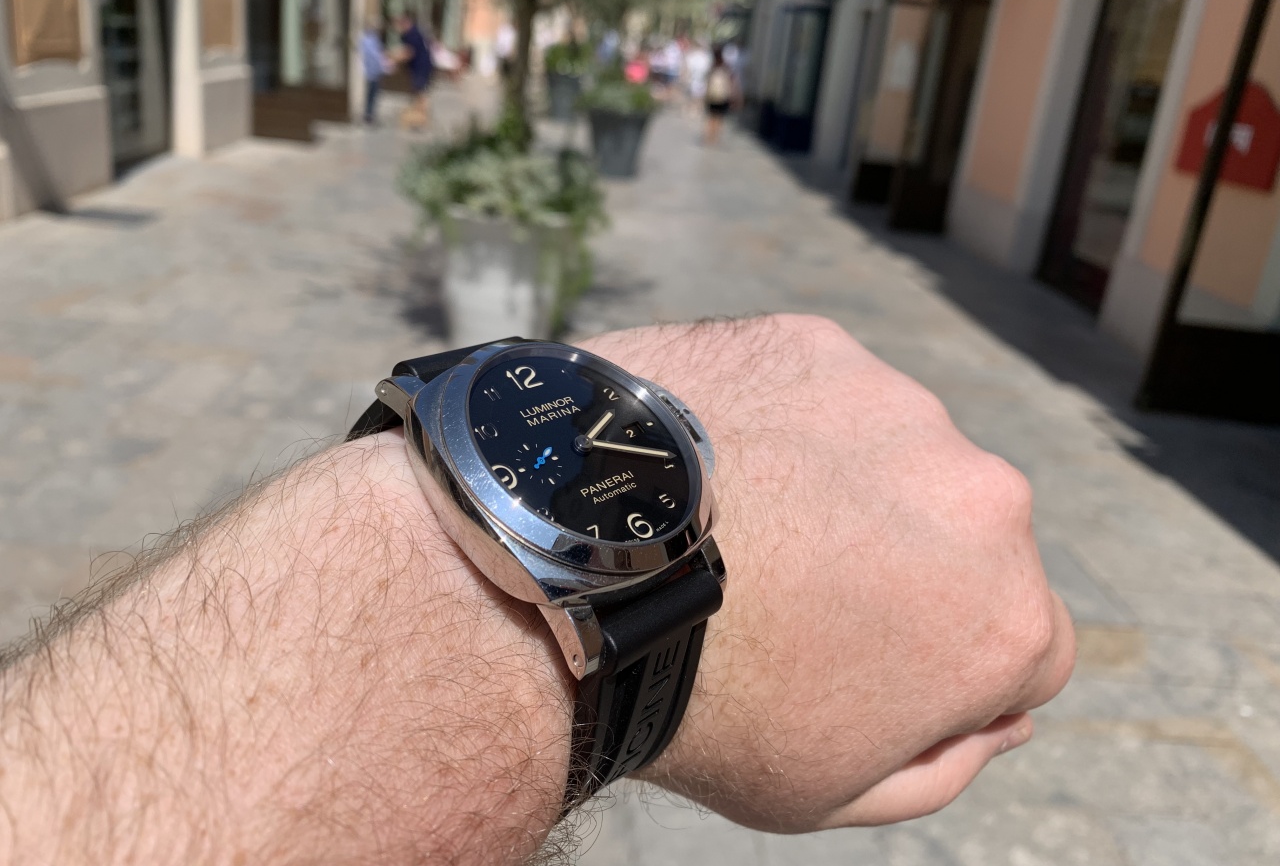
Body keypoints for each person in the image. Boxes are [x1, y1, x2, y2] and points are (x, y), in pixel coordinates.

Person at [0, 316, 1074, 864]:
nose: (620, 435)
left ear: (679, 430)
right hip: (593, 564)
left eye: (633, 427)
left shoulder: (665, 469)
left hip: (648, 547)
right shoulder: (465, 458)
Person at [395, 12, 434, 131]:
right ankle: (419, 119)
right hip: (423, 67)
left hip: (419, 68)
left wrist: (393, 58)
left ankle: (421, 119)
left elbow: (409, 53)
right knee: (419, 93)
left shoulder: (411, 35)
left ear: (405, 24)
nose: (399, 29)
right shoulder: (417, 32)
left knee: (420, 93)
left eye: (400, 25)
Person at [359, 22, 390, 125]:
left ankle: (370, 114)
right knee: (372, 94)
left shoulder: (372, 40)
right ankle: (369, 115)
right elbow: (376, 56)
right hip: (372, 72)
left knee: (373, 94)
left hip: (374, 71)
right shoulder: (368, 40)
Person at [704, 46, 734, 145]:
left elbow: (707, 81)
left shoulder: (712, 67)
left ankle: (709, 137)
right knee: (719, 117)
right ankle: (715, 137)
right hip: (722, 96)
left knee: (711, 117)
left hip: (712, 96)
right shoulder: (726, 67)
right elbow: (731, 81)